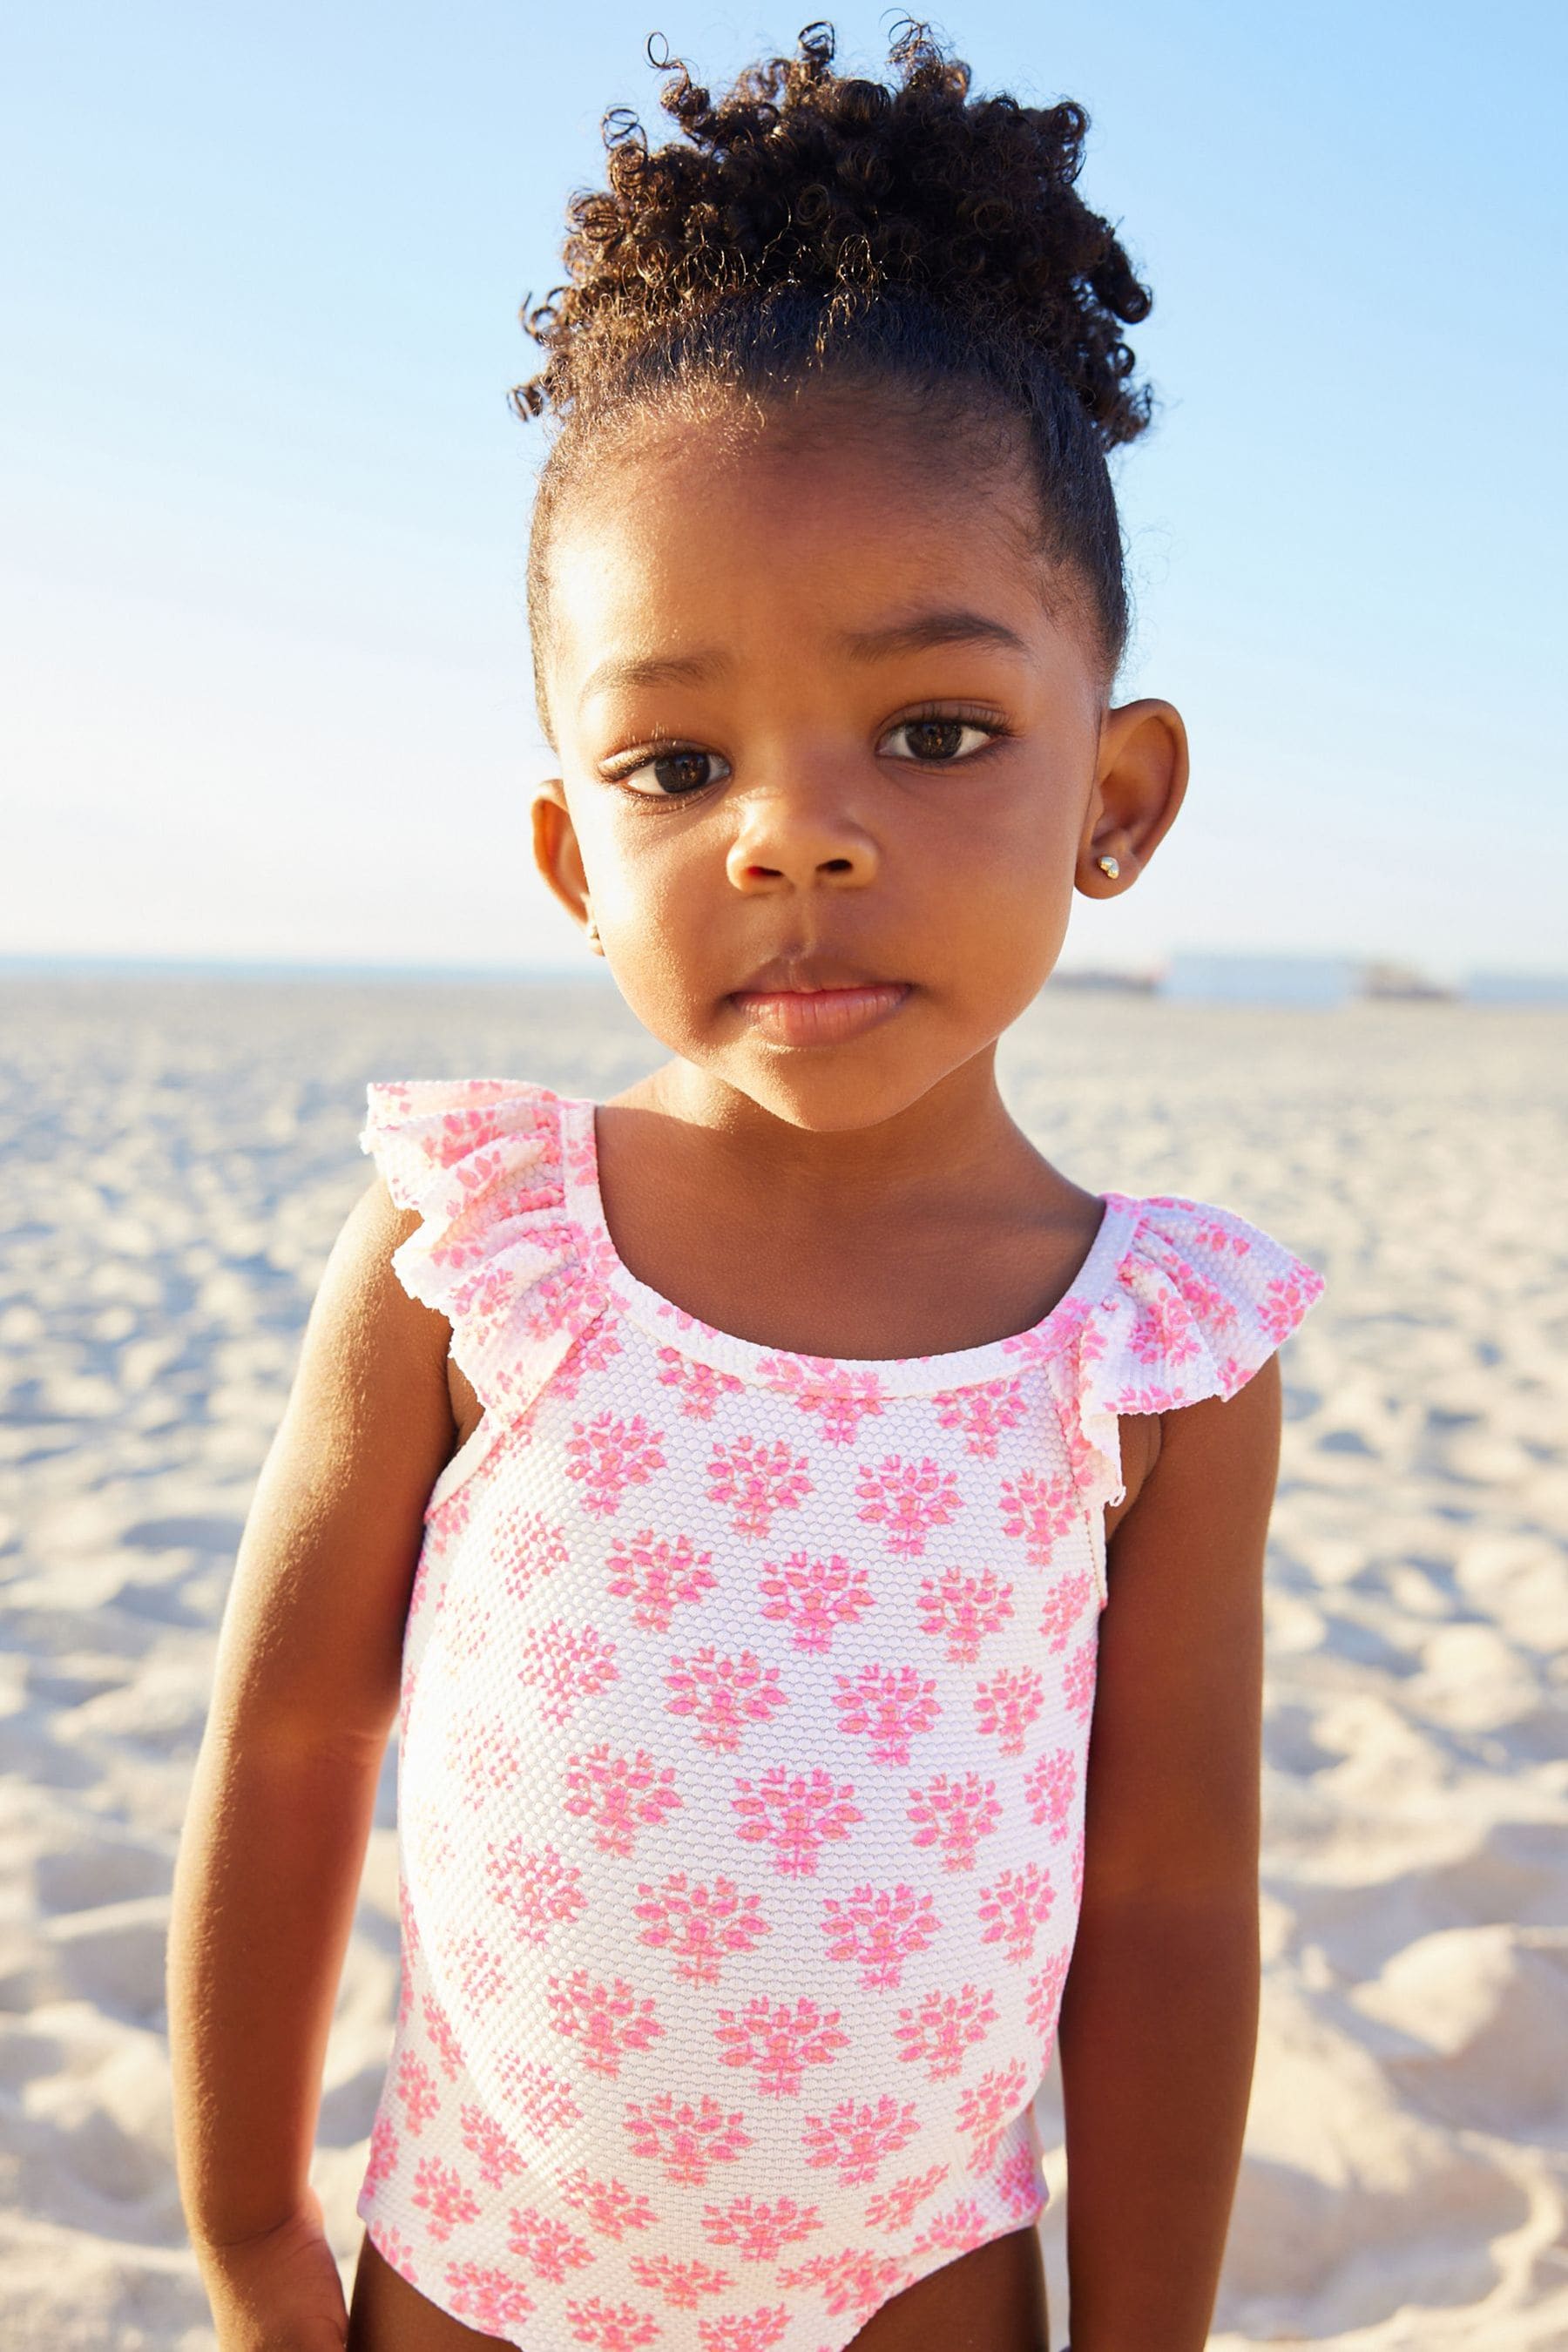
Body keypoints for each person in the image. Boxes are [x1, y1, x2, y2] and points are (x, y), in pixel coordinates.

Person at [167, 19, 1327, 2351]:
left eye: (934, 730)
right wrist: (244, 2230)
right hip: (480, 2274)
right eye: (677, 759)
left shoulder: (1156, 1351)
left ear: (1118, 793)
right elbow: (292, 1733)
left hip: (925, 2285)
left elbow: (1176, 1893)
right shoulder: (473, 1249)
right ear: (567, 859)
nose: (791, 827)